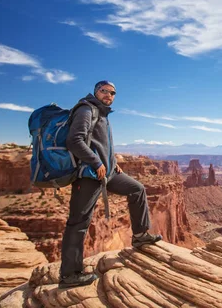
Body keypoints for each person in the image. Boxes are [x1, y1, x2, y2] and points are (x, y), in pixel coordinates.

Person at [59, 80, 162, 289]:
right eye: (105, 91)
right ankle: (69, 274)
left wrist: (113, 164)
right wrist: (96, 162)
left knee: (137, 189)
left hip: (107, 173)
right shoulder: (86, 110)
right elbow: (74, 140)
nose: (109, 95)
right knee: (78, 223)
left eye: (113, 93)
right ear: (96, 91)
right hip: (88, 175)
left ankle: (141, 235)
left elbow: (102, 145)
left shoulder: (102, 113)